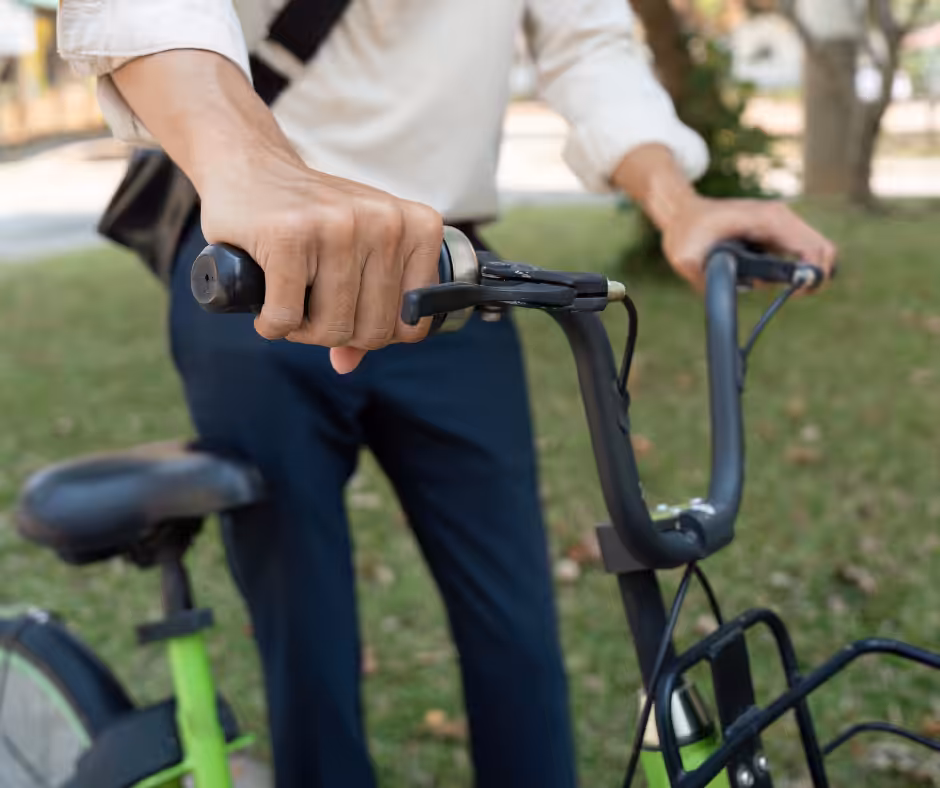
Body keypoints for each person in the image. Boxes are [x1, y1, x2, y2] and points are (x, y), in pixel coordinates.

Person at [59, 2, 837, 786]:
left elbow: (587, 47)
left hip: (451, 272)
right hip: (262, 266)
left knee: (516, 624)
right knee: (305, 626)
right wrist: (248, 160)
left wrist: (679, 205)